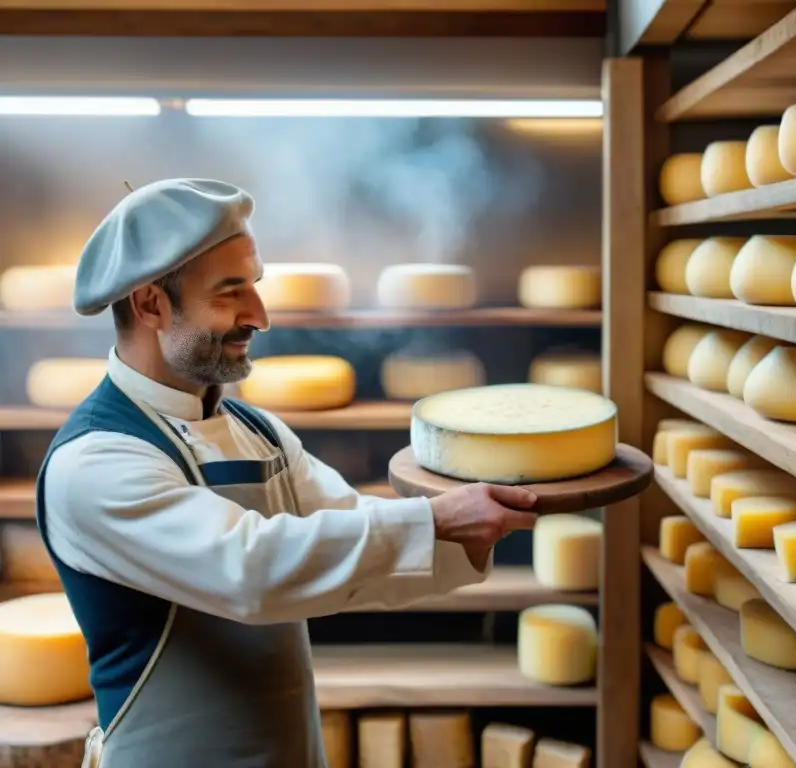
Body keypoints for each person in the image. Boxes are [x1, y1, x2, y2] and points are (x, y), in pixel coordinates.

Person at [36, 178, 539, 768]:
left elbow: (351, 531)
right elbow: (252, 569)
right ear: (150, 304)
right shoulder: (94, 461)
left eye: (255, 285)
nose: (261, 316)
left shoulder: (258, 431)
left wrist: (475, 524)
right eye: (231, 293)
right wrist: (436, 519)